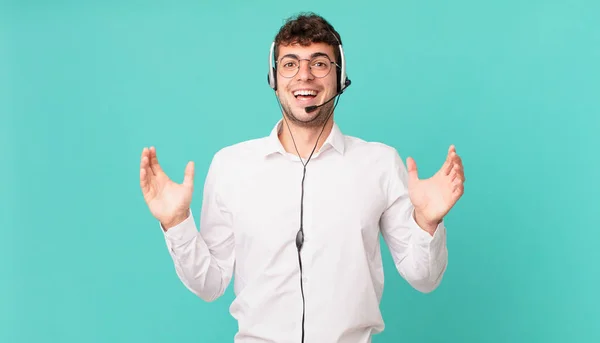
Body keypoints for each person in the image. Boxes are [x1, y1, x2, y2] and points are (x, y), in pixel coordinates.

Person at [139, 12, 465, 343]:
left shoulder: (380, 163)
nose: (304, 76)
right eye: (290, 64)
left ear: (340, 77)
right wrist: (177, 222)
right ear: (273, 77)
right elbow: (210, 285)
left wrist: (427, 223)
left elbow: (423, 278)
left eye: (319, 63)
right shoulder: (230, 165)